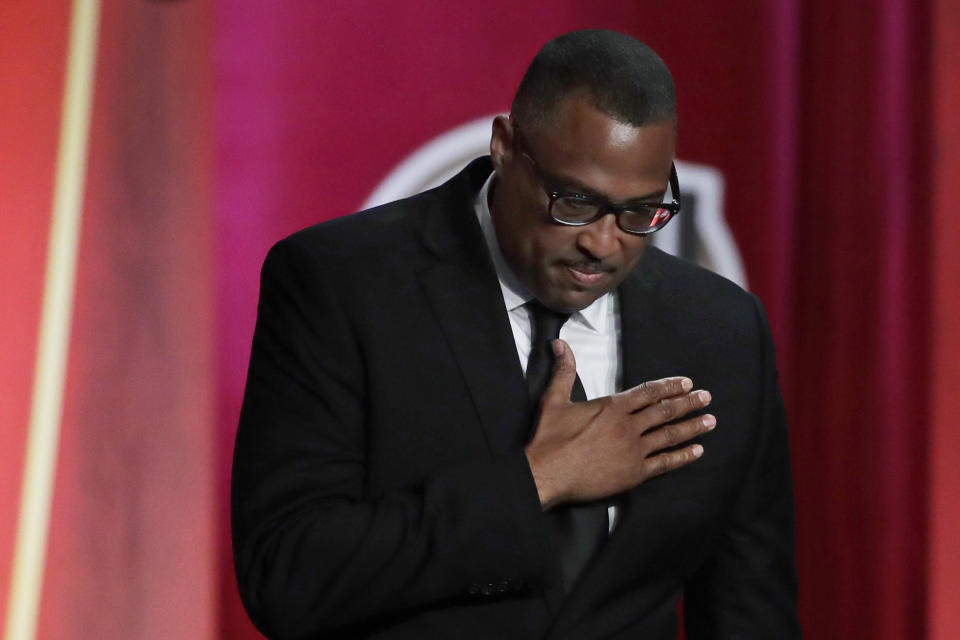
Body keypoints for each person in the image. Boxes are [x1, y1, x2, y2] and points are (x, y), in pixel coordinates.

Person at [232, 29, 801, 639]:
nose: (603, 243)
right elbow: (286, 576)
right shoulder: (343, 283)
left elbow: (749, 609)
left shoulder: (720, 329)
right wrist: (538, 480)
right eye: (575, 202)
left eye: (640, 212)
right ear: (506, 146)